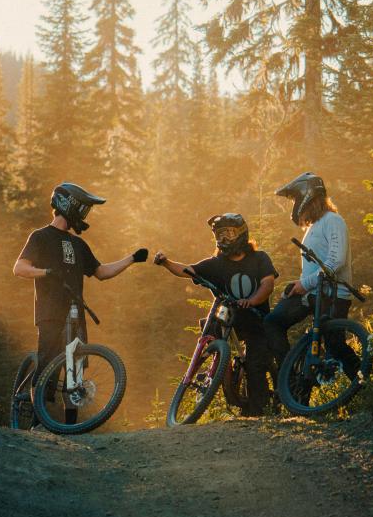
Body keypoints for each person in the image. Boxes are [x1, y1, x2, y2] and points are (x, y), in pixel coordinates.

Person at [12, 182, 147, 421]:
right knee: (46, 366)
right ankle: (37, 421)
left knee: (74, 373)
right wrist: (46, 272)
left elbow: (101, 272)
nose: (85, 216)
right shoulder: (40, 236)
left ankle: (71, 429)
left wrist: (132, 258)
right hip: (51, 311)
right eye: (83, 209)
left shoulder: (78, 244)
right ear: (68, 206)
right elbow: (19, 268)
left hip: (75, 314)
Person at [152, 213, 279, 415]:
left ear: (242, 234)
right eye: (219, 235)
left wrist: (252, 301)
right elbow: (188, 270)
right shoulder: (216, 263)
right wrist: (166, 262)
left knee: (255, 367)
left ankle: (257, 412)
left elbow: (268, 284)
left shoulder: (259, 258)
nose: (224, 239)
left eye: (229, 233)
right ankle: (209, 371)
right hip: (229, 315)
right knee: (212, 323)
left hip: (256, 319)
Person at [262, 171, 361, 385]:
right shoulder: (314, 226)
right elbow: (314, 266)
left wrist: (303, 284)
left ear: (307, 197)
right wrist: (299, 285)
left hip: (334, 294)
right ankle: (291, 379)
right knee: (272, 322)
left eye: (296, 199)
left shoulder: (333, 221)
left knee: (336, 345)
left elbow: (336, 262)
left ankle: (368, 388)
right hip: (311, 292)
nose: (295, 205)